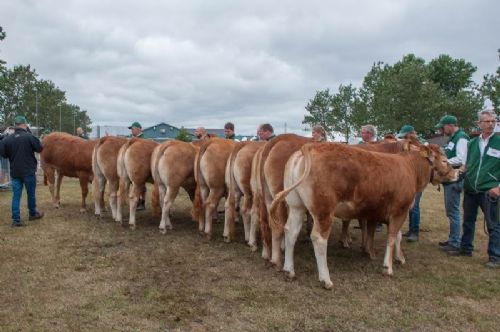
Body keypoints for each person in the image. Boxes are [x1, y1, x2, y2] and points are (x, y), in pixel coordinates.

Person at [448, 110, 499, 268]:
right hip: (470, 188)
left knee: (493, 224)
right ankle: (466, 248)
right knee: (468, 221)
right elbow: (466, 164)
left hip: (490, 190)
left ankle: (495, 256)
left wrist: (498, 188)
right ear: (479, 124)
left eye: (493, 121)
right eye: (487, 121)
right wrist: (456, 174)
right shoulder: (472, 143)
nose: (491, 123)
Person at [0, 115, 44, 226]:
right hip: (28, 171)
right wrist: (29, 133)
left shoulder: (7, 139)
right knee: (31, 194)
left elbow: (4, 154)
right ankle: (33, 213)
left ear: (15, 126)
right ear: (24, 125)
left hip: (15, 172)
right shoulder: (29, 137)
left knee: (16, 195)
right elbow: (40, 148)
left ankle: (16, 220)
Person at [434, 115, 469, 252]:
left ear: (450, 125)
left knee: (453, 212)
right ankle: (453, 239)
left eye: (443, 127)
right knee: (451, 211)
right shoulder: (454, 138)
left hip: (455, 179)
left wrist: (444, 163)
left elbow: (461, 158)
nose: (442, 130)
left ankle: (455, 242)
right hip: (450, 179)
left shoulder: (461, 138)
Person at [397, 124, 424, 242]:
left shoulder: (422, 145)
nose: (403, 138)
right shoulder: (407, 145)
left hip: (417, 178)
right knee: (409, 205)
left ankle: (414, 231)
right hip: (408, 177)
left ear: (410, 134)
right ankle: (410, 230)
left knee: (415, 205)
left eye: (405, 136)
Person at [128, 121, 145, 210]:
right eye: (131, 129)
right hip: (133, 162)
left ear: (139, 129)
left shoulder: (144, 138)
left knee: (141, 184)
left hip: (142, 164)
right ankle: (138, 200)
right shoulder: (131, 139)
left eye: (133, 129)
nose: (132, 131)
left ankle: (141, 201)